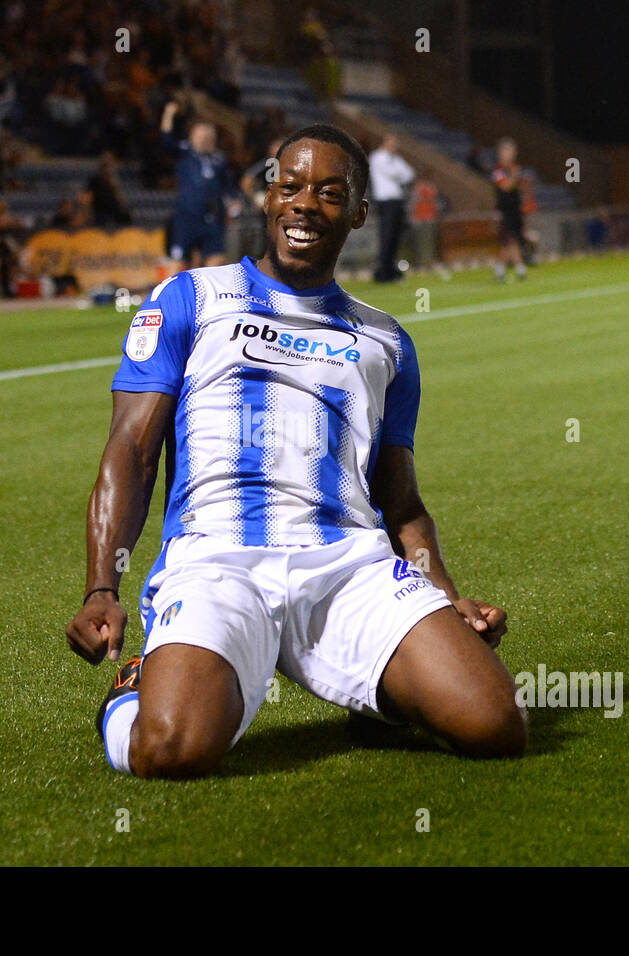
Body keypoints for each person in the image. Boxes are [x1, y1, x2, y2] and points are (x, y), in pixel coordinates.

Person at [66, 124, 525, 779]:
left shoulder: (387, 341)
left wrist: (445, 593)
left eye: (330, 193)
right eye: (291, 186)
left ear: (360, 213)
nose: (305, 203)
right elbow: (130, 454)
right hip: (218, 561)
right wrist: (100, 587)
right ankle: (133, 690)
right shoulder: (191, 297)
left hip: (347, 568)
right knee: (168, 749)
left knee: (494, 723)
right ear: (268, 197)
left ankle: (382, 702)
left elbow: (400, 501)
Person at [160, 100, 239, 269]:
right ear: (192, 135)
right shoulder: (184, 151)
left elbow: (228, 186)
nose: (205, 137)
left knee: (216, 260)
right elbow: (166, 140)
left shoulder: (219, 160)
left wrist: (233, 203)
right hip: (187, 216)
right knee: (179, 262)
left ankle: (209, 294)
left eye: (209, 135)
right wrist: (169, 113)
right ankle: (173, 294)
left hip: (213, 217)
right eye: (201, 134)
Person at [368, 133, 413, 282]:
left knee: (395, 237)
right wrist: (399, 174)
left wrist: (399, 174)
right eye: (392, 143)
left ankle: (391, 269)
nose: (395, 146)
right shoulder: (377, 157)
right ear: (384, 143)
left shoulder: (396, 159)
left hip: (397, 201)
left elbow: (410, 174)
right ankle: (382, 271)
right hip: (385, 202)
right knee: (386, 236)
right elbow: (394, 174)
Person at [491, 138, 528, 282]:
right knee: (510, 240)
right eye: (506, 151)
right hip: (504, 211)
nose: (509, 154)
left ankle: (500, 270)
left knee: (510, 241)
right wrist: (515, 176)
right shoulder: (498, 171)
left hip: (515, 210)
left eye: (511, 151)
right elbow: (505, 186)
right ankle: (520, 269)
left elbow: (520, 188)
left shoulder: (514, 169)